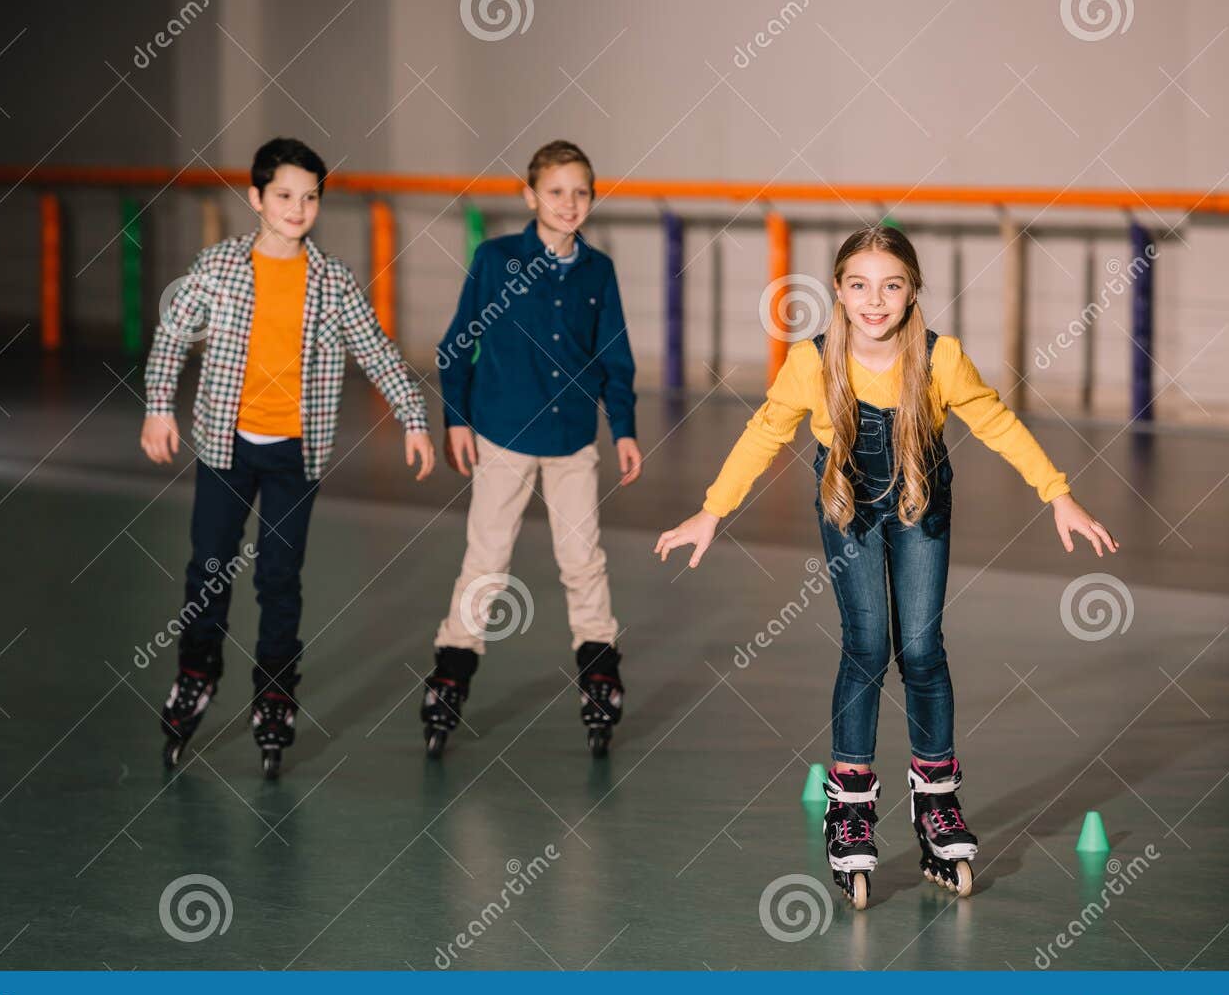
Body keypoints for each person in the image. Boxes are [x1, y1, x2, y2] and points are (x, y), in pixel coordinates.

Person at [654, 224, 1118, 905]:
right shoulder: (812, 362)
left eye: (891, 286)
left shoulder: (940, 359)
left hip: (922, 506)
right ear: (838, 292)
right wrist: (711, 510)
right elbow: (765, 433)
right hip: (847, 510)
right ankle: (849, 806)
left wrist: (1059, 494)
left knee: (923, 649)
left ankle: (937, 802)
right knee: (867, 647)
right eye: (860, 285)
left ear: (912, 291)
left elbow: (996, 422)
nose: (875, 300)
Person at [141, 137, 435, 777]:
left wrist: (413, 418)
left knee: (279, 577)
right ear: (256, 198)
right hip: (225, 447)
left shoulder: (333, 281)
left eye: (309, 198)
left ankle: (275, 693)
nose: (297, 209)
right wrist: (159, 406)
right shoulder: (218, 266)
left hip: (296, 456)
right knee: (209, 568)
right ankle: (196, 673)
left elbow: (377, 351)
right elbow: (172, 335)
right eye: (284, 196)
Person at [424, 140, 641, 757]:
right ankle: (452, 670)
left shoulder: (598, 271)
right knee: (487, 560)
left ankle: (599, 672)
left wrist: (624, 428)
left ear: (591, 199)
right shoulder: (495, 260)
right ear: (530, 196)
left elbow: (614, 357)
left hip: (572, 439)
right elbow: (457, 342)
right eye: (555, 192)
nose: (569, 203)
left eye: (580, 193)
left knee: (582, 558)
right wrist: (456, 419)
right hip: (504, 433)